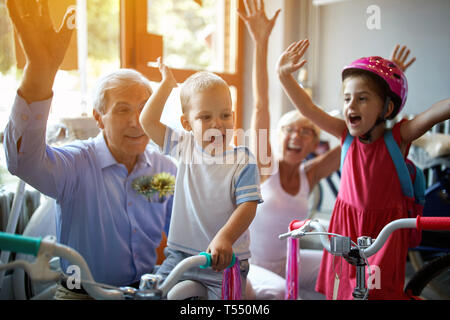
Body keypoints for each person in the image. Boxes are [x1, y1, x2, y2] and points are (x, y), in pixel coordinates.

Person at [3, 0, 176, 299]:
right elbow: (23, 162)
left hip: (144, 292)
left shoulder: (166, 170)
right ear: (98, 117)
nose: (137, 122)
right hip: (80, 293)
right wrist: (39, 72)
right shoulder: (77, 165)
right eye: (123, 110)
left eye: (145, 109)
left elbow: (183, 236)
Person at [277, 38, 450, 299]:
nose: (351, 106)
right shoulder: (344, 134)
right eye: (347, 99)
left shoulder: (397, 138)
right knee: (341, 288)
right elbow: (308, 108)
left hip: (384, 229)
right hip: (345, 224)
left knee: (377, 291)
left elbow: (432, 115)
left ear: (387, 108)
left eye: (362, 98)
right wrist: (284, 75)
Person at [238, 0, 340, 300]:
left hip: (290, 261)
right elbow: (260, 105)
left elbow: (351, 139)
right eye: (289, 130)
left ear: (313, 143)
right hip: (253, 266)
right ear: (278, 136)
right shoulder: (264, 167)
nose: (297, 136)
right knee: (283, 292)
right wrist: (260, 42)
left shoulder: (311, 172)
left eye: (306, 131)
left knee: (344, 264)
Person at [138, 58, 263, 300]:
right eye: (205, 117)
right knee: (155, 295)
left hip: (226, 259)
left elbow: (248, 206)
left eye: (225, 115)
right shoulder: (184, 147)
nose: (217, 124)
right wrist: (167, 85)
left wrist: (224, 238)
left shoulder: (243, 160)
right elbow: (147, 121)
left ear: (233, 117)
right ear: (187, 123)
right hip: (181, 254)